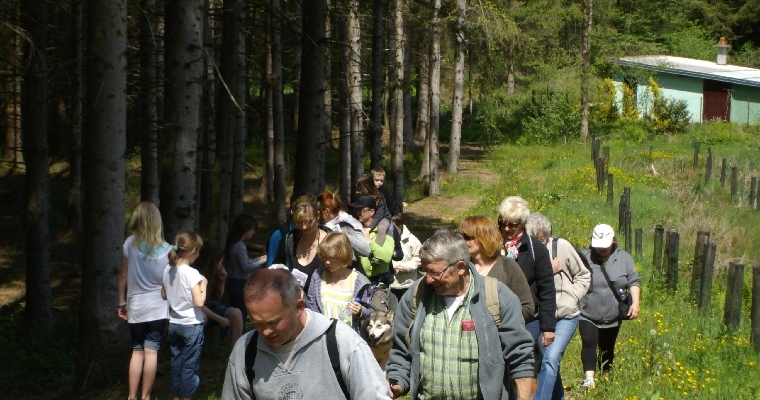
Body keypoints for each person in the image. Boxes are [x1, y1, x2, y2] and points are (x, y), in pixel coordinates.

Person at [386, 230, 535, 400]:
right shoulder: (416, 296)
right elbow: (400, 352)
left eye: (435, 273)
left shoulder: (498, 297)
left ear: (461, 268)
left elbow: (520, 356)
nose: (428, 280)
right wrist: (396, 383)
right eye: (425, 271)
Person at [221, 268, 391, 399]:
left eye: (274, 322)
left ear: (299, 307)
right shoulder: (245, 351)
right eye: (257, 323)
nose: (265, 331)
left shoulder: (341, 342)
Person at [525, 213, 591, 400]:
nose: (538, 244)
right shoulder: (524, 251)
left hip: (565, 315)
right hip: (539, 316)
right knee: (546, 361)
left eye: (541, 239)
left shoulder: (561, 247)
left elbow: (584, 275)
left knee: (551, 358)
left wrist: (572, 296)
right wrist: (547, 272)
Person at [117, 202, 172, 400]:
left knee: (137, 351)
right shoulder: (168, 250)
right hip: (158, 307)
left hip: (136, 306)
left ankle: (131, 396)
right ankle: (146, 397)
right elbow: (168, 284)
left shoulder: (129, 243)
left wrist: (121, 302)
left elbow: (123, 276)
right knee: (152, 352)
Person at [578, 224, 641, 389]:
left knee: (607, 347)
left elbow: (633, 281)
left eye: (605, 245)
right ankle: (589, 379)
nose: (602, 249)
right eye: (598, 246)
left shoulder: (624, 258)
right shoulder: (583, 256)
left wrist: (635, 303)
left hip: (613, 314)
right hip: (587, 312)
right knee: (589, 342)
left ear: (613, 241)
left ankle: (606, 376)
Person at [498, 196, 557, 353]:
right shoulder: (492, 245)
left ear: (522, 224)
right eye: (503, 223)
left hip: (527, 317)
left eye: (512, 225)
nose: (506, 228)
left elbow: (547, 290)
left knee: (522, 358)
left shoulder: (536, 250)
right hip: (496, 314)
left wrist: (548, 328)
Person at [457, 215, 535, 322]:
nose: (462, 241)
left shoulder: (508, 267)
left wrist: (497, 320)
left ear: (484, 238)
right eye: (461, 236)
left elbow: (528, 308)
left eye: (468, 237)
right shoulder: (461, 267)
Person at [162, 231, 207, 400]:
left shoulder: (167, 269)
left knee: (176, 365)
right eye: (198, 250)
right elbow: (199, 302)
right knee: (189, 367)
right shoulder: (192, 273)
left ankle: (175, 397)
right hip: (191, 325)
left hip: (174, 324)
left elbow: (164, 295)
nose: (198, 254)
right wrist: (204, 285)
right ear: (190, 251)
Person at [305, 232, 372, 331]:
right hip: (322, 335)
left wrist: (360, 310)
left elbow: (368, 312)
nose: (327, 262)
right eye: (324, 258)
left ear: (343, 255)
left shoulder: (359, 281)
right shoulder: (318, 276)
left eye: (331, 258)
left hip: (347, 338)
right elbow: (311, 307)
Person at [195, 244, 244, 346]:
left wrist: (222, 281)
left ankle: (235, 356)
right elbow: (199, 305)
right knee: (202, 318)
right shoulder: (197, 276)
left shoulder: (215, 274)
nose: (221, 265)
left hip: (213, 308)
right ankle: (196, 353)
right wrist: (219, 319)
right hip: (200, 311)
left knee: (236, 313)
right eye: (220, 262)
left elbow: (217, 297)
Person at [225, 215, 266, 320]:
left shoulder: (234, 243)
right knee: (241, 314)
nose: (253, 232)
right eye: (252, 229)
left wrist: (259, 258)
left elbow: (245, 262)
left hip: (233, 282)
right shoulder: (240, 245)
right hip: (239, 283)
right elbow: (246, 267)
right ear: (245, 229)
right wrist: (262, 260)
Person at [350, 195, 394, 285]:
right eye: (356, 210)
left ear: (372, 211)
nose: (358, 213)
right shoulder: (355, 230)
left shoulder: (384, 230)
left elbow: (387, 257)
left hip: (378, 285)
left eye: (361, 210)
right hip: (357, 284)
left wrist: (369, 242)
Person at [316, 189, 371, 258]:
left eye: (319, 210)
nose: (317, 214)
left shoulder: (348, 223)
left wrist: (347, 237)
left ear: (327, 211)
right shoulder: (324, 226)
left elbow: (366, 250)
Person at [389, 213, 421, 301]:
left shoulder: (413, 241)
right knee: (392, 312)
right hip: (391, 284)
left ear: (400, 225)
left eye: (394, 227)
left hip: (408, 284)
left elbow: (418, 260)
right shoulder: (386, 238)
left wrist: (405, 267)